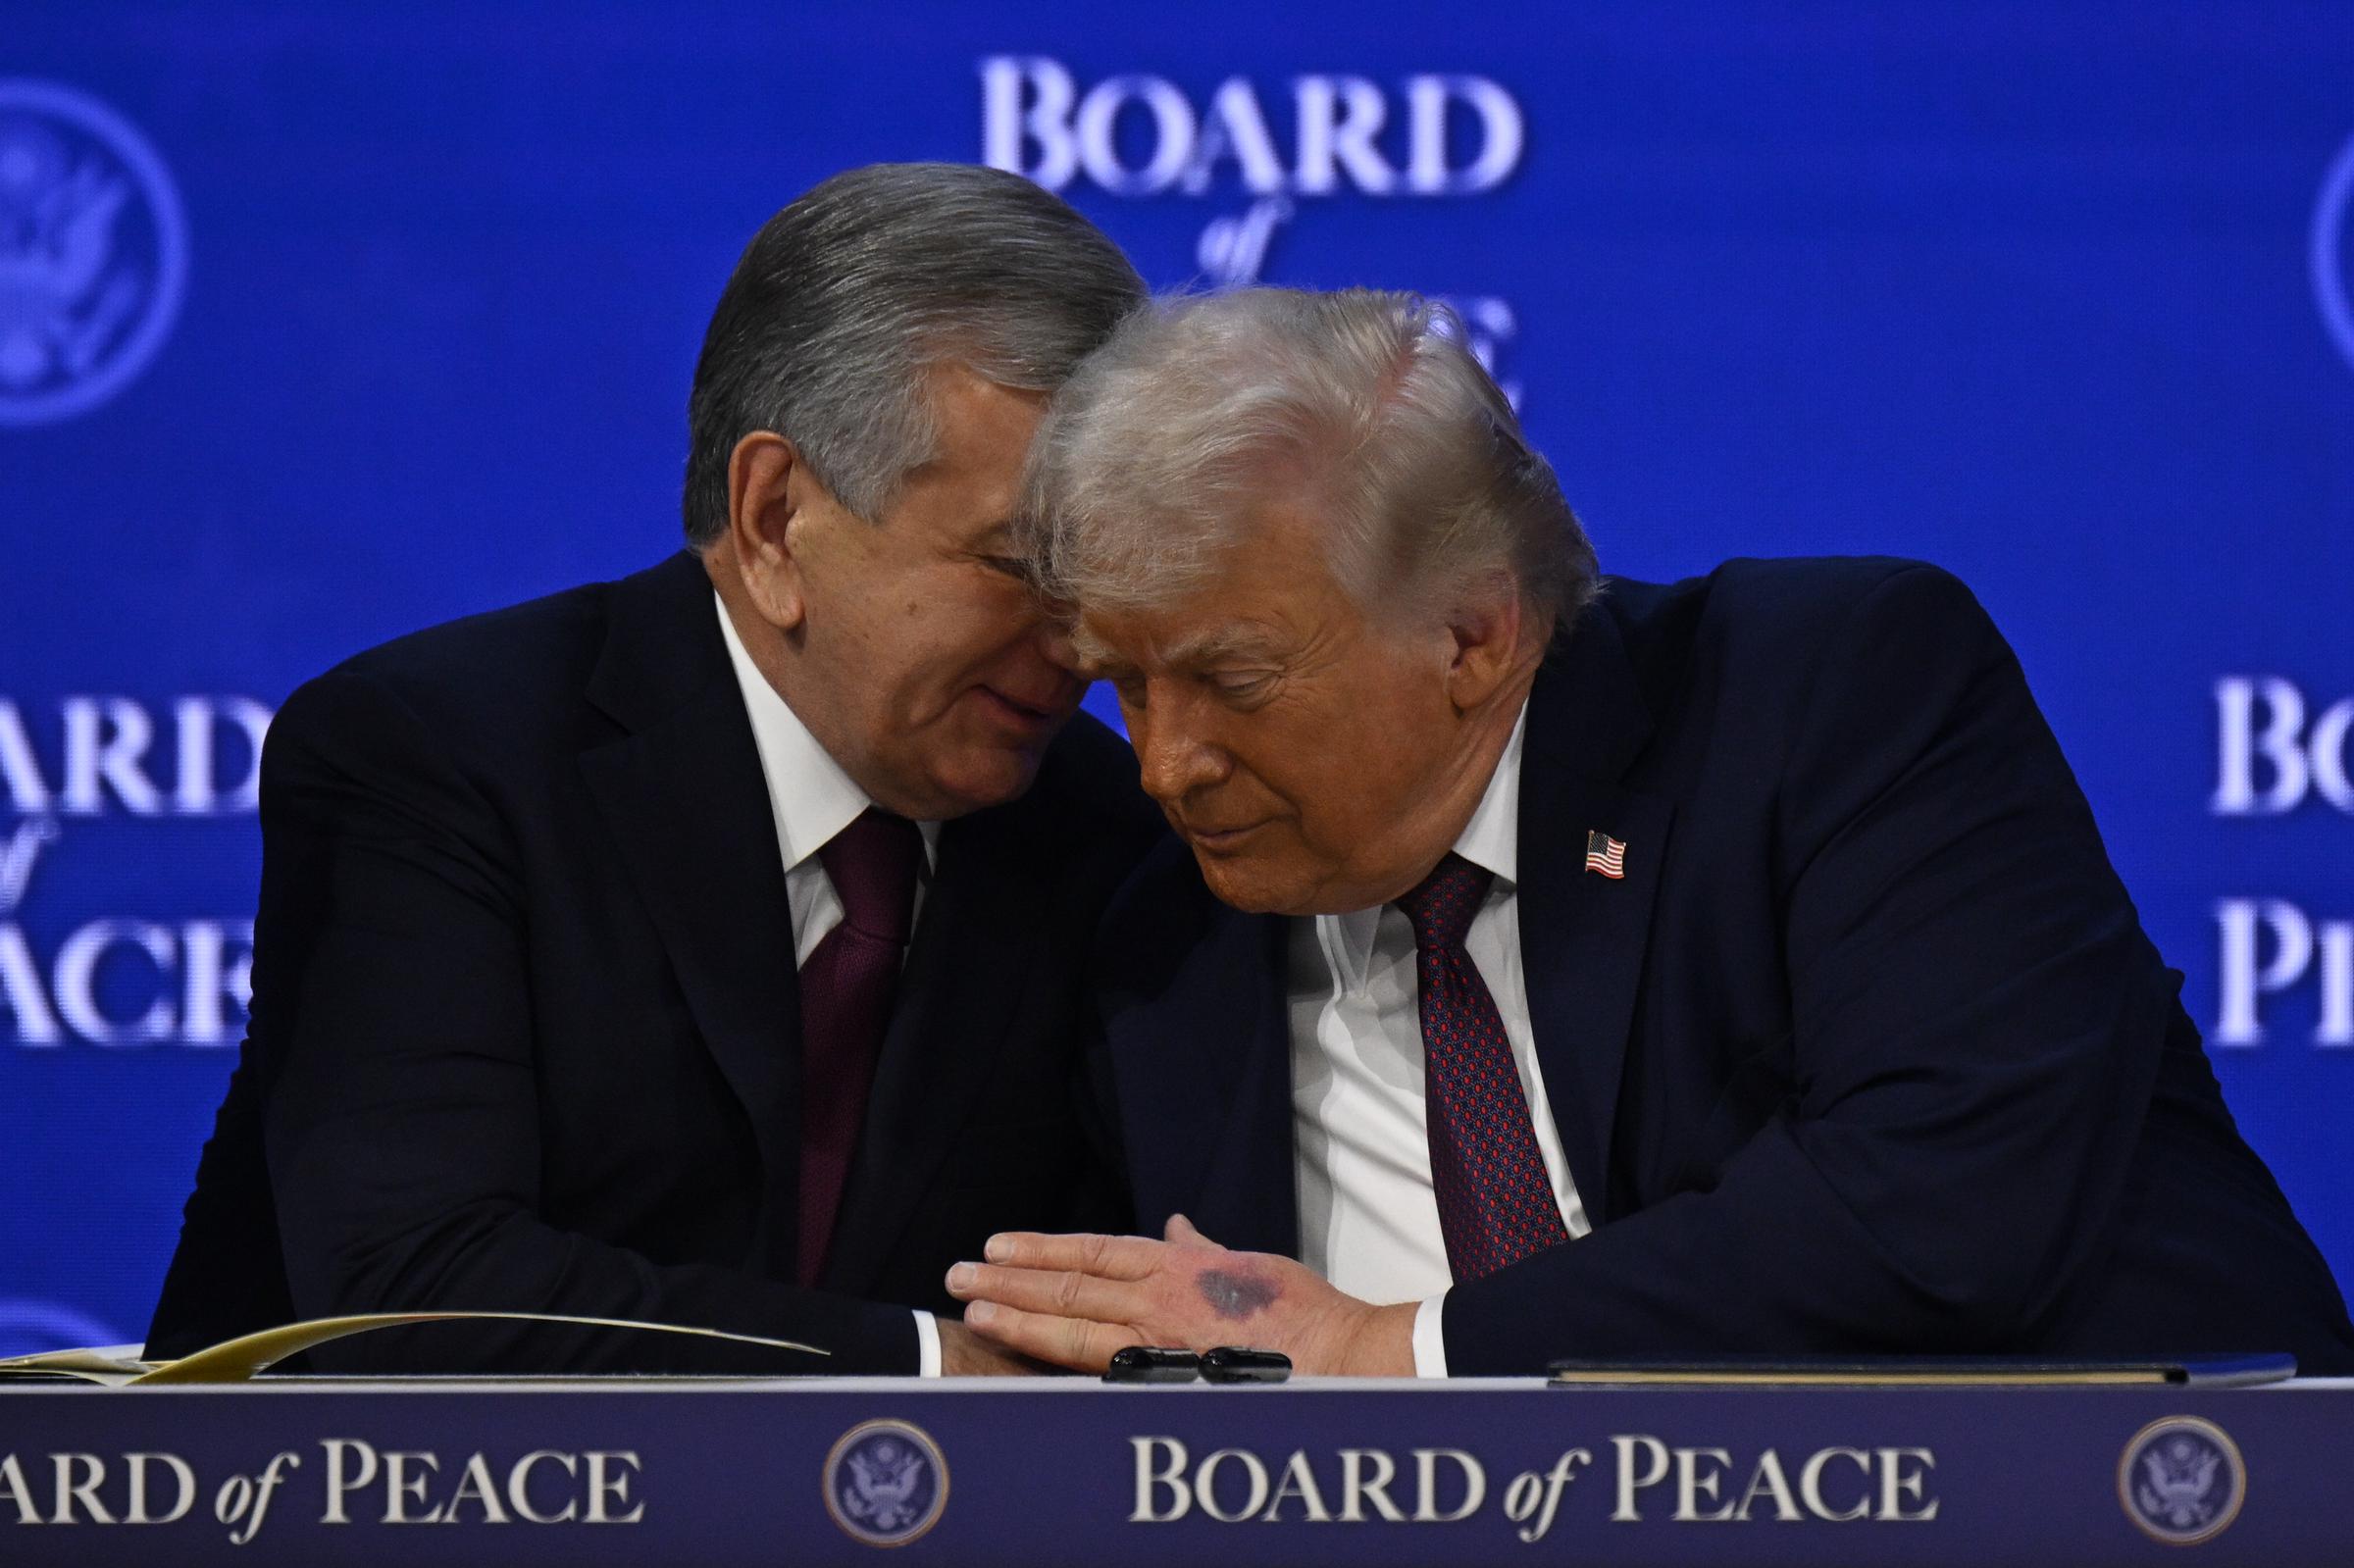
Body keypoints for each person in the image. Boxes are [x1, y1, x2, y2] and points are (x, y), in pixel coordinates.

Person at [944, 285, 2354, 1377]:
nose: (1164, 764)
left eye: (1231, 680)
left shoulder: (1830, 700)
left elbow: (1939, 1207)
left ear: (1475, 633)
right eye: (1127, 685)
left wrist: (1387, 1348)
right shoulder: (1165, 955)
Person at [145, 164, 1161, 1376]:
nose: (1079, 643)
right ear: (777, 515)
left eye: (1096, 574)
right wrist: (932, 1372)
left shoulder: (1110, 831)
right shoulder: (435, 761)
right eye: (1015, 564)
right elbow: (409, 1289)